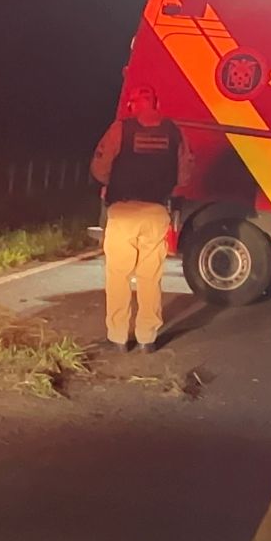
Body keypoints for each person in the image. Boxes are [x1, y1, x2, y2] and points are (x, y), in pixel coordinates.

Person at [90, 84, 193, 353]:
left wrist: (110, 182)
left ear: (134, 104)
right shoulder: (174, 131)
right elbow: (184, 174)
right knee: (150, 277)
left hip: (123, 212)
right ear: (156, 102)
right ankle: (148, 338)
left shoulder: (121, 129)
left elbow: (100, 167)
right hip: (156, 212)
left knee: (118, 275)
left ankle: (118, 337)